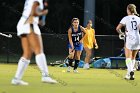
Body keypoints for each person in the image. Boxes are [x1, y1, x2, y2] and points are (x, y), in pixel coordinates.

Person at [11, 0, 57, 85]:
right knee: (39, 50)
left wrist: (38, 19)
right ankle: (45, 76)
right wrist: (43, 12)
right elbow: (34, 11)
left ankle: (16, 78)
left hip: (22, 24)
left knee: (27, 54)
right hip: (29, 24)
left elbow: (31, 11)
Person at [116, 4, 140, 80]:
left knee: (128, 57)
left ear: (128, 10)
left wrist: (122, 33)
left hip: (129, 37)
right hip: (137, 37)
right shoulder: (138, 18)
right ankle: (128, 74)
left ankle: (131, 71)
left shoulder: (126, 18)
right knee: (133, 57)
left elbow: (118, 28)